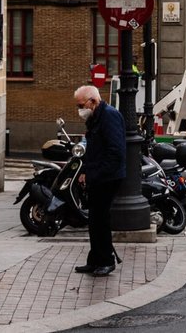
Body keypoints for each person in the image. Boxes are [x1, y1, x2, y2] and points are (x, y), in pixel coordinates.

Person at [74, 85, 125, 276]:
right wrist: (85, 170)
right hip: (99, 176)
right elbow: (93, 150)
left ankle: (106, 260)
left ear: (93, 101)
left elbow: (115, 152)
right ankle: (95, 259)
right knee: (95, 220)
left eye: (81, 105)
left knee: (100, 219)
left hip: (108, 177)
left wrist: (94, 174)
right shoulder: (96, 117)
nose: (80, 110)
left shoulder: (109, 116)